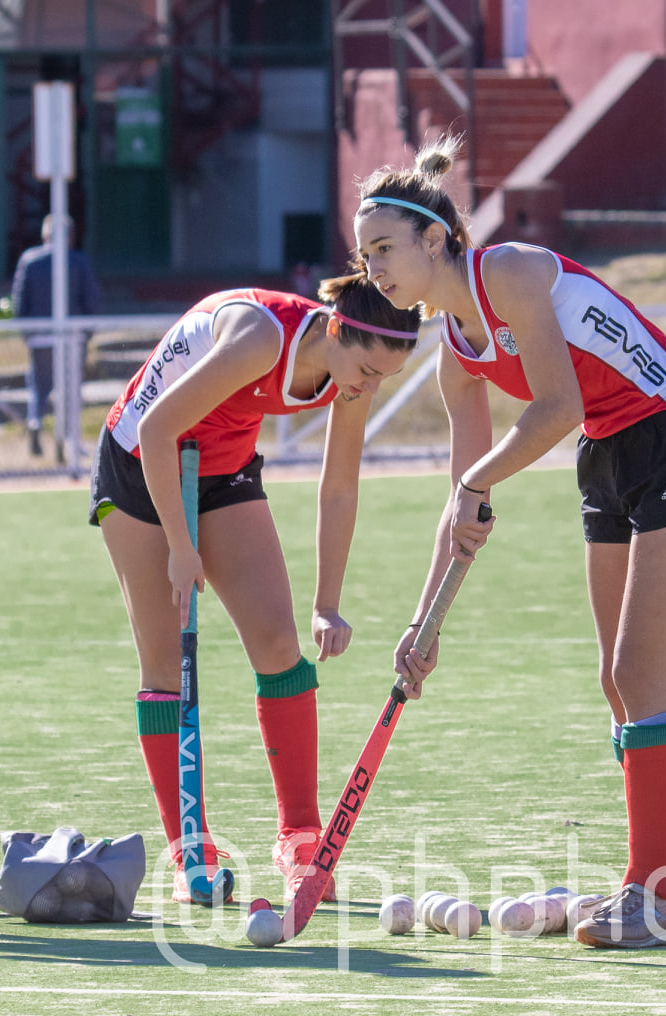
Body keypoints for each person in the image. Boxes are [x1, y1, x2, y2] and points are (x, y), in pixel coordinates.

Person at [359, 139, 666, 949]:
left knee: (640, 673)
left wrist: (479, 482)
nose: (374, 269)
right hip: (607, 455)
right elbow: (462, 491)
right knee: (619, 685)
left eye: (385, 249)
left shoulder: (507, 272)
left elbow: (555, 406)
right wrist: (421, 623)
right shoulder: (456, 359)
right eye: (364, 256)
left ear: (435, 238)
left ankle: (648, 893)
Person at [94, 275, 419, 905]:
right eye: (367, 370)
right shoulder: (258, 338)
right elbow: (159, 430)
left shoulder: (351, 371)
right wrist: (182, 552)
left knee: (278, 643)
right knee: (164, 664)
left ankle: (299, 835)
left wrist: (327, 601)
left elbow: (340, 487)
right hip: (141, 463)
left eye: (386, 378)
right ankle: (189, 846)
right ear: (333, 329)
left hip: (223, 466)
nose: (369, 388)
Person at [11, 213, 101, 459]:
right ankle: (71, 441)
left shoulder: (29, 260)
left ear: (45, 234)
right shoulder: (78, 260)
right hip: (73, 337)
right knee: (70, 388)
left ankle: (35, 422)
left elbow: (19, 300)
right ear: (70, 236)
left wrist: (26, 332)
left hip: (39, 336)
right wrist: (87, 332)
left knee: (39, 386)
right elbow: (91, 299)